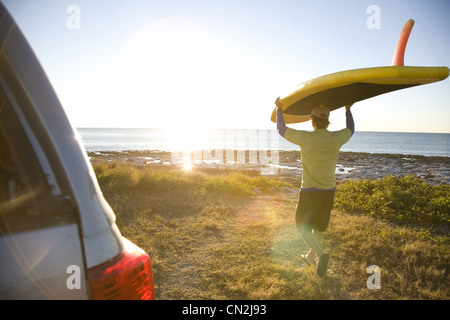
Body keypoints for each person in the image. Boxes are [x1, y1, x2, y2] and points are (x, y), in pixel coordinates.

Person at [275, 99, 355, 276]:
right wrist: (347, 110)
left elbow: (281, 129)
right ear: (327, 121)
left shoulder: (306, 138)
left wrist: (279, 110)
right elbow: (351, 130)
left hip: (310, 190)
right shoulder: (336, 139)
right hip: (329, 191)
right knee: (318, 227)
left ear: (312, 120)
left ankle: (320, 254)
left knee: (302, 227)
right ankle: (310, 258)